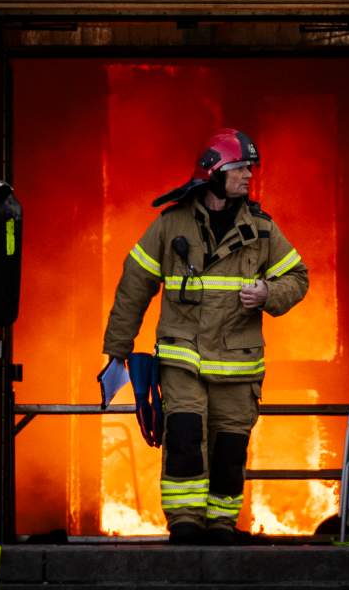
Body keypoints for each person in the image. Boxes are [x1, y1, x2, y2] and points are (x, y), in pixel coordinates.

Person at [102, 128, 309, 545]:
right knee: (183, 435)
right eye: (240, 168)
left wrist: (270, 293)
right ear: (214, 173)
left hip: (239, 363)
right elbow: (134, 285)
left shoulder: (263, 231)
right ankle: (184, 524)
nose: (249, 175)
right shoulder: (171, 224)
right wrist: (116, 352)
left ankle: (220, 527)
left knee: (230, 449)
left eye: (250, 168)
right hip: (183, 357)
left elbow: (298, 277)